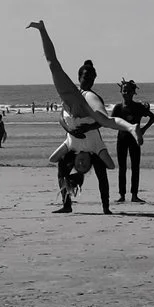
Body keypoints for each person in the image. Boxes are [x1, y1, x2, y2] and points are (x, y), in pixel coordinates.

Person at [29, 20, 113, 214]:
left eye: (91, 79)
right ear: (79, 78)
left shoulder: (93, 98)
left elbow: (102, 122)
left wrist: (86, 129)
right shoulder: (70, 97)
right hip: (72, 141)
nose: (88, 81)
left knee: (102, 172)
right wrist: (69, 130)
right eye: (85, 78)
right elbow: (61, 118)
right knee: (58, 164)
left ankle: (106, 207)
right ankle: (67, 204)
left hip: (92, 145)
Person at [110, 81, 154, 203]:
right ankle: (122, 195)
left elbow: (153, 117)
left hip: (135, 140)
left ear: (133, 93)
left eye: (129, 91)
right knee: (122, 168)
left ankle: (134, 195)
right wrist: (119, 127)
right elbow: (111, 122)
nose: (126, 93)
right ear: (121, 92)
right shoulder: (118, 108)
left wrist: (143, 130)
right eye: (124, 90)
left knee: (135, 167)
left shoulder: (138, 107)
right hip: (121, 140)